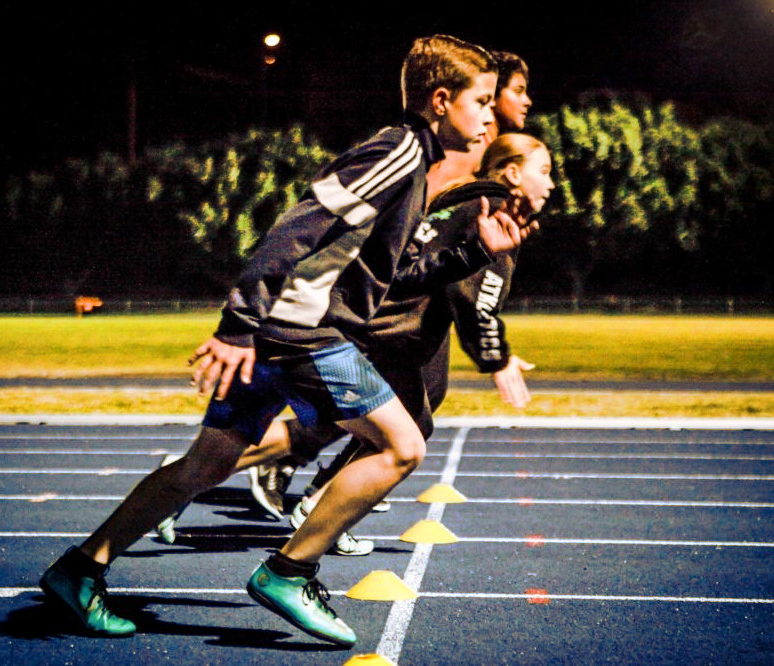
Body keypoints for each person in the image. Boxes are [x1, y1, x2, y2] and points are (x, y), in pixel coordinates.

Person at [39, 34, 533, 647]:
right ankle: (288, 572)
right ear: (439, 100)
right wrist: (236, 328)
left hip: (290, 330)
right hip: (303, 333)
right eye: (481, 100)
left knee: (208, 462)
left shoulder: (414, 166)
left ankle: (79, 568)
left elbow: (391, 276)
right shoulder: (401, 152)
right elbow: (295, 228)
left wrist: (476, 251)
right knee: (404, 446)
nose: (491, 115)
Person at [242, 50, 536, 527]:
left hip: (431, 281)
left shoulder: (484, 143)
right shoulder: (459, 147)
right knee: (396, 412)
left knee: (409, 409)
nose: (524, 102)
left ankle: (313, 492)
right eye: (513, 92)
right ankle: (310, 497)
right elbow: (420, 214)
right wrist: (491, 349)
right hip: (408, 290)